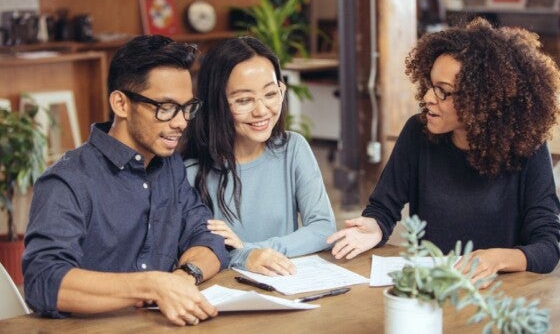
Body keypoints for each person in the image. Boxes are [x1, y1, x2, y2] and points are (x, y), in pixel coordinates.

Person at [327, 18, 560, 284]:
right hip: (430, 288)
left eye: (444, 92)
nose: (427, 97)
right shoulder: (417, 133)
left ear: (481, 100)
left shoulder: (527, 147)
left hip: (497, 298)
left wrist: (496, 259)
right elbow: (383, 208)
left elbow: (548, 247)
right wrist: (374, 227)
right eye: (430, 85)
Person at [22, 35, 229, 327]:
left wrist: (184, 276)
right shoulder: (67, 180)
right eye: (166, 107)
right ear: (121, 103)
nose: (181, 122)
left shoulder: (170, 167)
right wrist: (151, 286)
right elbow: (44, 280)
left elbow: (207, 237)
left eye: (186, 108)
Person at [181, 36, 336, 276]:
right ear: (216, 102)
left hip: (287, 285)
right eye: (244, 100)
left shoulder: (293, 149)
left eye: (271, 94)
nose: (262, 110)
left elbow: (323, 229)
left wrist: (250, 251)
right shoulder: (190, 173)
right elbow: (192, 253)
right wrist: (244, 257)